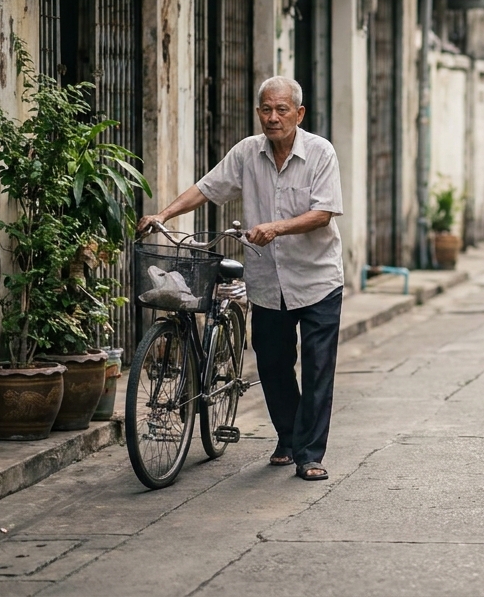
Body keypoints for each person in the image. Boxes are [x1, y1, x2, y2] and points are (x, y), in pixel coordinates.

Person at [137, 76, 345, 482]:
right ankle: (288, 438)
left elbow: (324, 212)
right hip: (267, 281)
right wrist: (164, 214)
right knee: (272, 364)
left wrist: (277, 228)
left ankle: (310, 454)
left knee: (318, 368)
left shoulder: (321, 153)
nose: (273, 117)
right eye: (266, 109)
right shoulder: (247, 153)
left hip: (317, 279)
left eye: (281, 109)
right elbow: (206, 188)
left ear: (298, 114)